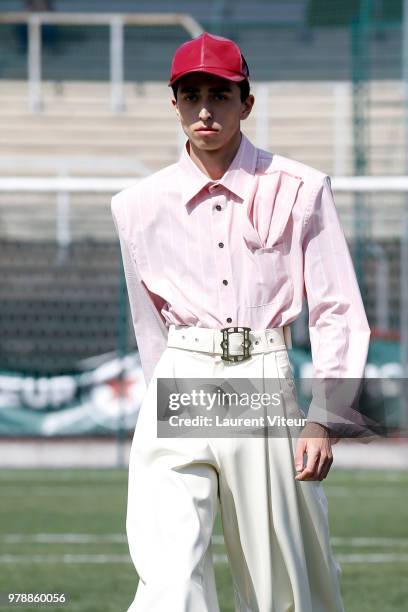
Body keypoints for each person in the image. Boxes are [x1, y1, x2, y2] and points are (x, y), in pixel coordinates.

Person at [111, 32, 371, 612]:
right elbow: (147, 322)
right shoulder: (136, 205)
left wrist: (326, 416)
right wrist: (161, 397)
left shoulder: (302, 189)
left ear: (246, 103)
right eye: (191, 94)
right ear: (173, 102)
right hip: (180, 380)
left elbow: (337, 310)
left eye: (220, 94)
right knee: (168, 577)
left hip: (261, 379)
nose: (205, 109)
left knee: (283, 585)